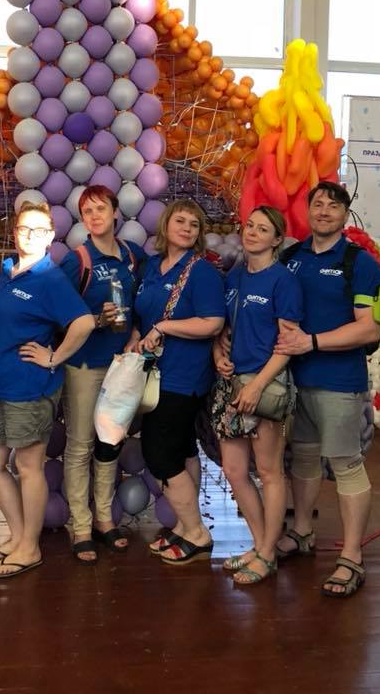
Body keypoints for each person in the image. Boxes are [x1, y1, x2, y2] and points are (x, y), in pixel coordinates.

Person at [274, 182, 380, 598]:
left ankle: (352, 556)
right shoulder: (290, 258)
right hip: (294, 381)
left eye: (333, 205)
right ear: (307, 211)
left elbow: (370, 329)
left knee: (345, 464)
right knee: (303, 458)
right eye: (317, 204)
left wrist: (312, 342)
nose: (324, 211)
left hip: (340, 382)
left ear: (345, 214)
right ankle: (302, 532)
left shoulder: (361, 264)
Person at [0, 201, 94, 579]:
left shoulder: (50, 278)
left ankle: (30, 547)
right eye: (24, 229)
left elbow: (84, 323)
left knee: (27, 467)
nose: (30, 236)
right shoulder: (8, 271)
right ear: (15, 232)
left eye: (39, 231)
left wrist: (53, 357)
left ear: (50, 236)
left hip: (30, 387)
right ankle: (18, 535)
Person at [211, 206, 303, 585]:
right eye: (249, 225)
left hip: (265, 385)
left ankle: (267, 553)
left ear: (277, 239)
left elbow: (288, 344)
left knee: (268, 471)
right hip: (232, 384)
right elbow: (223, 330)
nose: (251, 233)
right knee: (234, 471)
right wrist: (218, 355)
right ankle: (259, 543)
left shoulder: (283, 281)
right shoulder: (234, 276)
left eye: (263, 229)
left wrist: (257, 385)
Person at [135, 200, 225, 566]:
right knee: (184, 450)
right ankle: (186, 526)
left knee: (161, 455)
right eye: (180, 220)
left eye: (194, 224)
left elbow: (213, 322)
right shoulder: (151, 267)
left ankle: (197, 533)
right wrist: (138, 336)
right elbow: (144, 315)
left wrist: (164, 327)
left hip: (182, 377)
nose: (187, 228)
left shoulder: (201, 271)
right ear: (165, 225)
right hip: (156, 373)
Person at [58, 186, 146, 564]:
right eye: (87, 211)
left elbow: (147, 302)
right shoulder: (77, 260)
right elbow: (58, 315)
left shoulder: (133, 256)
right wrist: (96, 319)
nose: (94, 216)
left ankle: (104, 519)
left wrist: (137, 332)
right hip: (83, 366)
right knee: (80, 446)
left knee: (110, 443)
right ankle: (81, 526)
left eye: (101, 209)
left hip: (120, 366)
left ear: (115, 213)